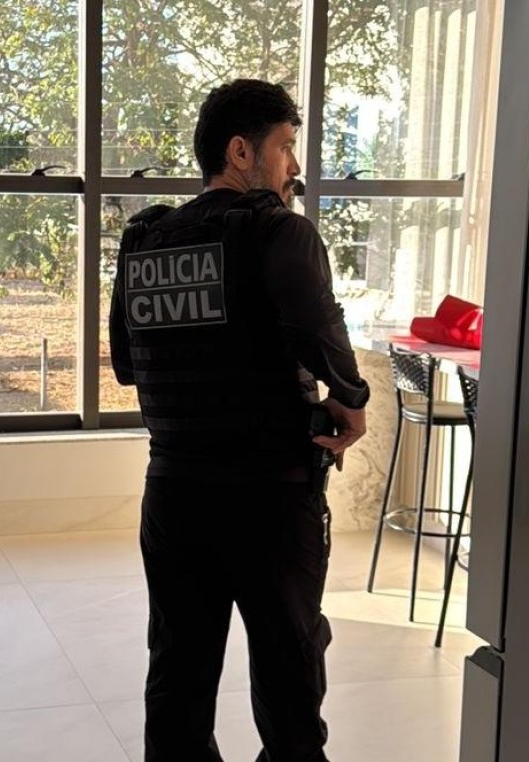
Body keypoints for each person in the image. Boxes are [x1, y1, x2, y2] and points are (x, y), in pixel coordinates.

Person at [109, 78, 370, 762]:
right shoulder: (281, 232)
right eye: (285, 147)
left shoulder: (144, 240)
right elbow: (324, 339)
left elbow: (128, 366)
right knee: (289, 679)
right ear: (241, 152)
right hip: (270, 498)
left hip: (174, 496)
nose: (294, 166)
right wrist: (353, 400)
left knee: (178, 677)